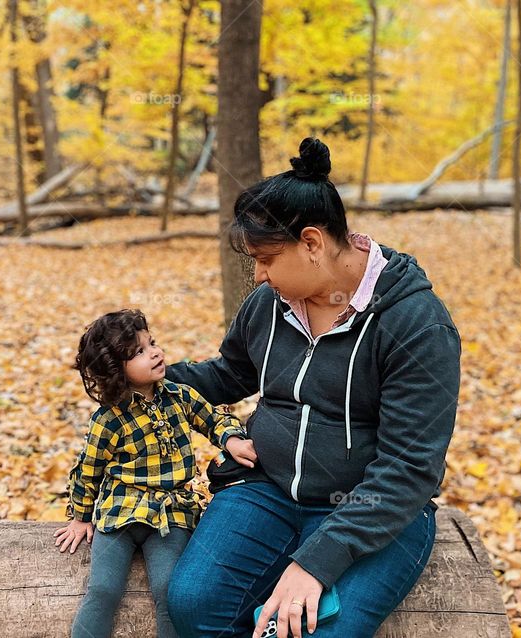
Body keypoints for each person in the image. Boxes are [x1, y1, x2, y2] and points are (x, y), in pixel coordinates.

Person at [165, 137, 462, 638]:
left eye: (265, 259)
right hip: (268, 489)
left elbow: (410, 468)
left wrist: (316, 563)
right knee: (194, 604)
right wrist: (145, 379)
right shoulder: (270, 304)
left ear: (312, 243)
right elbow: (231, 374)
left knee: (315, 633)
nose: (258, 275)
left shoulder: (416, 325)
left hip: (372, 511)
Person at [55, 309, 258, 638]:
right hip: (120, 511)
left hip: (170, 512)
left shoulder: (180, 396)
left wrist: (231, 438)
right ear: (115, 369)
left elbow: (213, 419)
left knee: (169, 590)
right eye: (139, 352)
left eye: (153, 343)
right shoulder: (109, 419)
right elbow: (88, 469)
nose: (155, 352)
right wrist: (80, 515)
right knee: (104, 589)